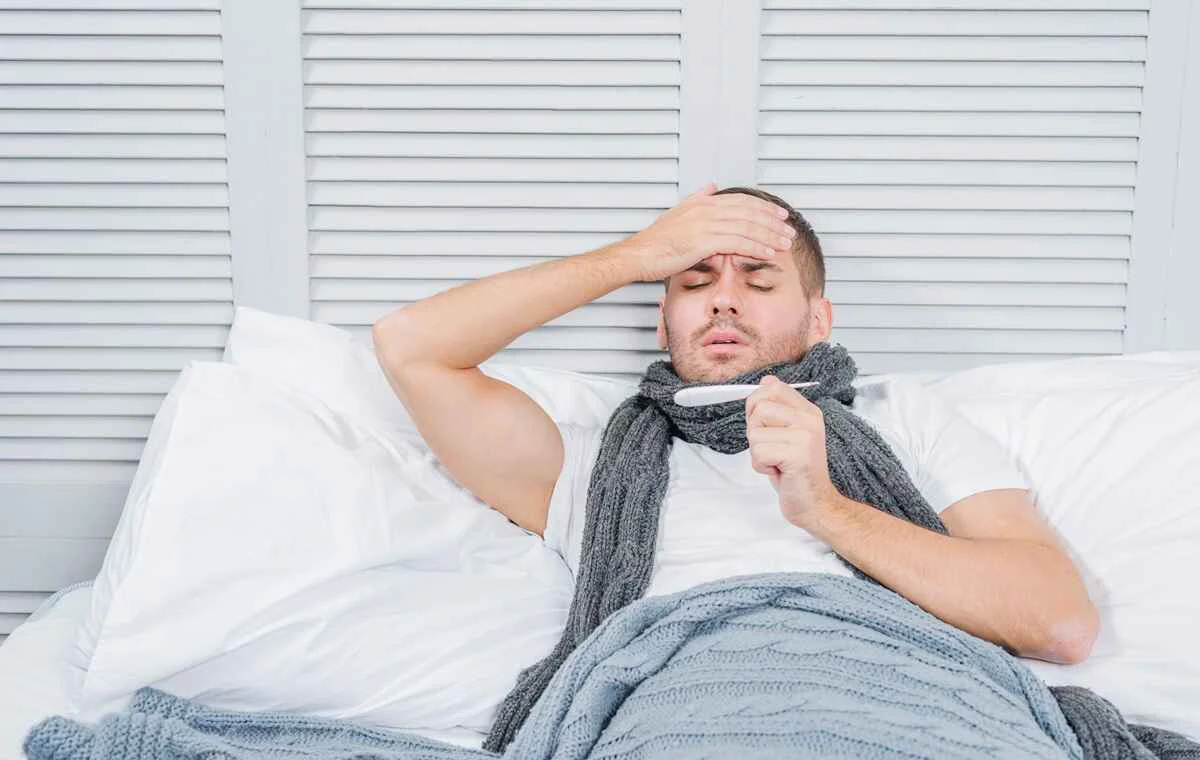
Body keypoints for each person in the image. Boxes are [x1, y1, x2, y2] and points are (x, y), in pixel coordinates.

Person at [371, 183, 1099, 665]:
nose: (723, 301)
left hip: (894, 683)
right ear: (663, 320)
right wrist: (634, 256)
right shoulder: (599, 461)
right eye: (693, 281)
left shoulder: (904, 417)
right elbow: (412, 348)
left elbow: (1058, 624)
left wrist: (827, 511)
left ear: (819, 320)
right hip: (683, 699)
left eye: (757, 280)